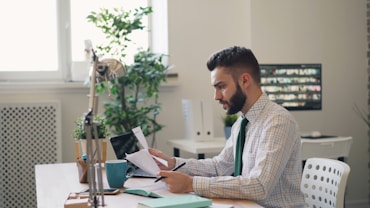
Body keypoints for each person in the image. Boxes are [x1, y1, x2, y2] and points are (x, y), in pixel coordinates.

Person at [149, 46, 304, 207]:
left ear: (245, 80)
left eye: (221, 86)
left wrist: (191, 184)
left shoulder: (277, 121)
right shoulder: (242, 123)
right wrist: (173, 164)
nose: (216, 96)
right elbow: (220, 166)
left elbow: (259, 186)